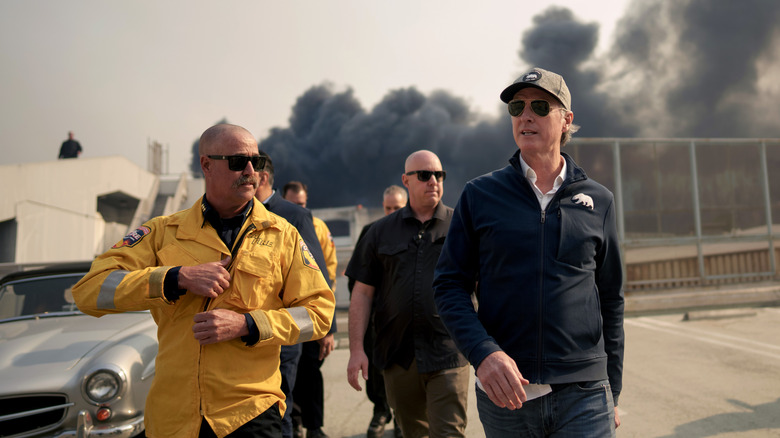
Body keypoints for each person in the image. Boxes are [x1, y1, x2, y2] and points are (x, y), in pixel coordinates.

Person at [72, 124, 335, 438]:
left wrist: (247, 325)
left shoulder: (283, 235)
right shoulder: (162, 231)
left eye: (257, 162)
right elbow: (88, 290)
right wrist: (174, 277)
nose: (252, 171)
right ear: (206, 165)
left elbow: (319, 313)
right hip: (175, 417)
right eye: (238, 161)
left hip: (250, 413)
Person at [433, 67, 625, 437]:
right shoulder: (480, 195)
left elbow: (611, 299)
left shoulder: (599, 200)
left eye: (540, 106)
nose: (526, 116)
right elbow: (449, 285)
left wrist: (611, 392)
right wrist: (483, 353)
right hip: (506, 395)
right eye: (516, 108)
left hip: (584, 395)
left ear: (566, 120)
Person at [346, 150, 469, 438]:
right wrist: (355, 350)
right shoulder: (379, 232)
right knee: (413, 434)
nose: (434, 181)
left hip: (449, 353)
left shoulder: (461, 226)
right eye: (425, 175)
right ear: (406, 180)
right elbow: (362, 294)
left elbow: (483, 287)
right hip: (398, 356)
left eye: (439, 175)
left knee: (449, 433)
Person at [255, 155, 335, 438]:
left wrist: (328, 328)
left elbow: (318, 274)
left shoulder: (295, 215)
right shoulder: (236, 214)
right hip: (247, 334)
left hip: (284, 332)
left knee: (281, 407)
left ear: (262, 177)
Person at [347, 184, 407, 438]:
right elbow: (356, 280)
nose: (392, 212)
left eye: (397, 208)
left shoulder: (415, 232)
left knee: (404, 372)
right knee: (376, 370)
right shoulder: (371, 232)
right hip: (377, 318)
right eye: (388, 208)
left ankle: (403, 418)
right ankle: (380, 410)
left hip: (406, 319)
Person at [279, 180, 336, 438]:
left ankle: (315, 426)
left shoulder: (318, 228)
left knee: (310, 372)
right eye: (294, 204)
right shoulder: (274, 227)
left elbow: (329, 271)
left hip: (310, 313)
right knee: (288, 374)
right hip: (284, 315)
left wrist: (327, 323)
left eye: (303, 204)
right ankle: (294, 422)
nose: (300, 208)